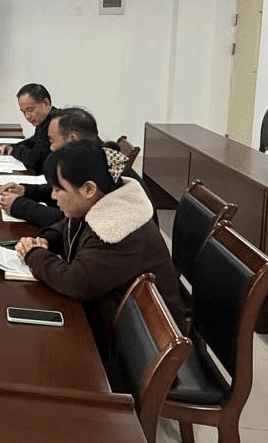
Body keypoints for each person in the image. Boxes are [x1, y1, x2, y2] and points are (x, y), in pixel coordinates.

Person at [14, 141, 186, 353]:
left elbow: (76, 281)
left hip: (147, 345)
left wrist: (33, 254)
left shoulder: (117, 228)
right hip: (112, 316)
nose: (53, 196)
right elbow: (68, 224)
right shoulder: (100, 201)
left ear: (88, 189)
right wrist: (48, 240)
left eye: (59, 189)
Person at [0, 106, 100, 230]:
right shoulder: (89, 157)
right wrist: (25, 190)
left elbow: (70, 222)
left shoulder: (99, 169)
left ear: (72, 138)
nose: (51, 148)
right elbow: (60, 190)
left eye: (52, 141)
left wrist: (19, 206)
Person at [0, 83, 60, 173]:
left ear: (46, 103)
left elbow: (36, 159)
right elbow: (34, 140)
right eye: (23, 112)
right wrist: (12, 146)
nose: (27, 116)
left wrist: (13, 150)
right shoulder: (45, 119)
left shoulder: (56, 123)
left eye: (30, 110)